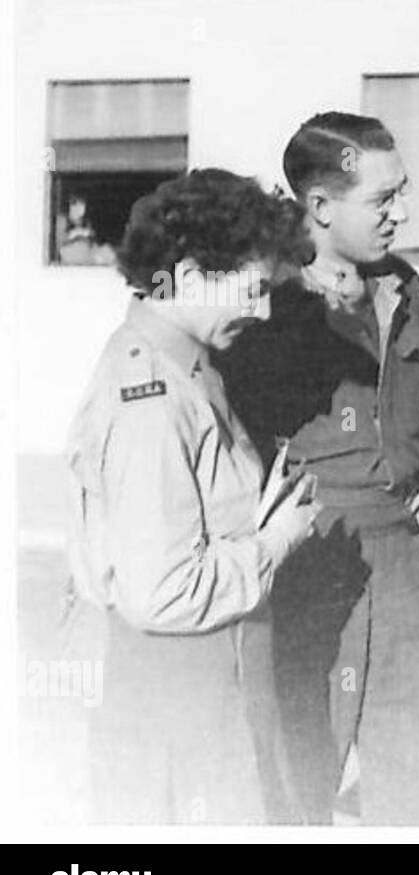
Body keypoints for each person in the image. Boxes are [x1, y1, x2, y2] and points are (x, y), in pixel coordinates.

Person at [217, 113, 419, 825]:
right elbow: (217, 416)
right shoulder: (261, 299)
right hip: (305, 556)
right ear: (321, 207)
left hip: (397, 559)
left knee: (418, 764)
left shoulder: (401, 288)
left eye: (403, 192)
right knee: (297, 769)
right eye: (383, 199)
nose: (403, 212)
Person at [64, 168, 320, 823]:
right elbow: (163, 591)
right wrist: (278, 538)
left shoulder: (183, 364)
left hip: (209, 687)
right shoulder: (153, 398)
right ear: (189, 270)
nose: (262, 311)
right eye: (254, 290)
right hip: (185, 695)